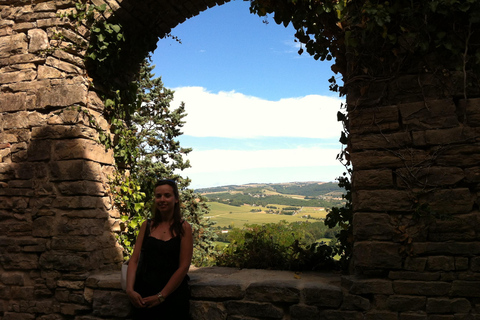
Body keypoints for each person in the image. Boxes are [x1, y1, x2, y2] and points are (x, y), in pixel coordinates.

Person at [126, 179, 193, 320]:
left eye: (167, 195)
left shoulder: (184, 228)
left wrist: (161, 296)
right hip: (144, 293)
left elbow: (183, 267)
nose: (162, 199)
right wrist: (130, 290)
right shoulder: (147, 225)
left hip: (173, 295)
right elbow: (134, 260)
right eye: (158, 196)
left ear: (176, 199)